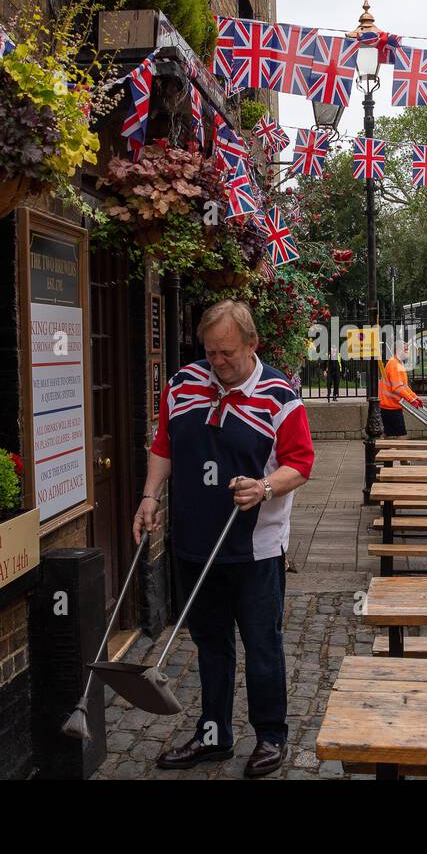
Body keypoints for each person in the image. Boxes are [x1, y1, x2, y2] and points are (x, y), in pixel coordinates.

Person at [133, 300, 314, 778]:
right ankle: (213, 735)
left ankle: (271, 737)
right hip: (194, 541)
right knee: (211, 644)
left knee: (262, 644)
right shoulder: (182, 385)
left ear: (252, 344)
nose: (217, 363)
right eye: (210, 352)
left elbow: (301, 462)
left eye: (227, 353)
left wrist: (265, 486)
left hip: (254, 547)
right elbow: (163, 446)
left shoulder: (279, 396)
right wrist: (150, 496)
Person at [379, 338, 423, 437]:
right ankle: (397, 452)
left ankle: (387, 452)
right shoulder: (394, 364)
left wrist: (414, 397)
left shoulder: (397, 363)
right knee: (401, 436)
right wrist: (411, 400)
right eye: (406, 350)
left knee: (389, 435)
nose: (407, 352)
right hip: (391, 406)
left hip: (389, 405)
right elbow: (397, 388)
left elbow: (404, 386)